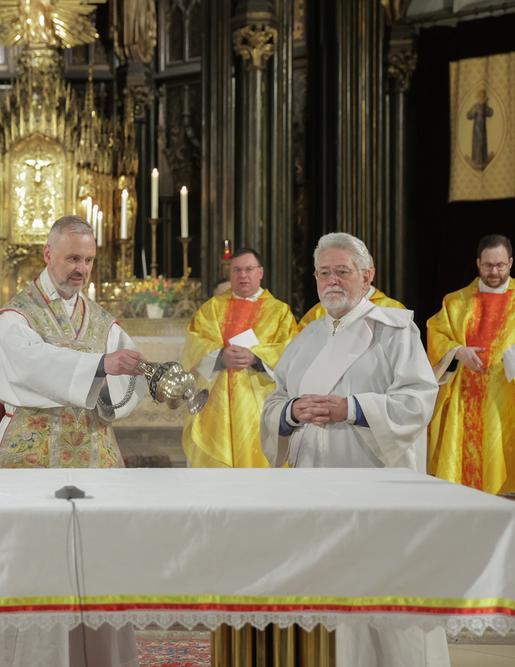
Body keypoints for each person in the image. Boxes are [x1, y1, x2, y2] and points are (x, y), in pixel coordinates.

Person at [0, 215, 146, 667]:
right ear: (48, 254)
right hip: (30, 453)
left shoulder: (102, 320)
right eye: (72, 259)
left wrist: (130, 382)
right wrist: (100, 366)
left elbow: (126, 379)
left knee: (99, 559)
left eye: (87, 260)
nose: (80, 269)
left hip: (93, 451)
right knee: (28, 561)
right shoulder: (16, 316)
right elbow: (32, 365)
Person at [260, 232, 443, 667]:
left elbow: (418, 401)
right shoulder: (306, 337)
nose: (332, 281)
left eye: (342, 271)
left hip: (377, 485)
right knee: (330, 592)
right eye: (324, 272)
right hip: (314, 486)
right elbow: (274, 401)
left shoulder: (395, 330)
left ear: (367, 275)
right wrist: (290, 413)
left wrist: (353, 409)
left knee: (386, 590)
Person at [427, 234, 515, 494]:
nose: (494, 272)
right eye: (487, 265)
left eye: (500, 265)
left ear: (511, 263)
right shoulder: (456, 302)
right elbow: (436, 333)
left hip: (508, 403)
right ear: (477, 263)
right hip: (464, 400)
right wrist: (457, 351)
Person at [181, 248, 298, 468]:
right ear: (230, 273)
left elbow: (290, 351)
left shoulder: (279, 312)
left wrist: (257, 357)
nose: (243, 275)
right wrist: (220, 356)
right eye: (236, 270)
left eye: (248, 269)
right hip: (217, 405)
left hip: (261, 404)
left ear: (260, 272)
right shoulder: (212, 309)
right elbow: (195, 344)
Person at [298, 254, 405, 328]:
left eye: (343, 272)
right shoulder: (320, 310)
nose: (334, 279)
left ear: (368, 275)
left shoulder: (392, 308)